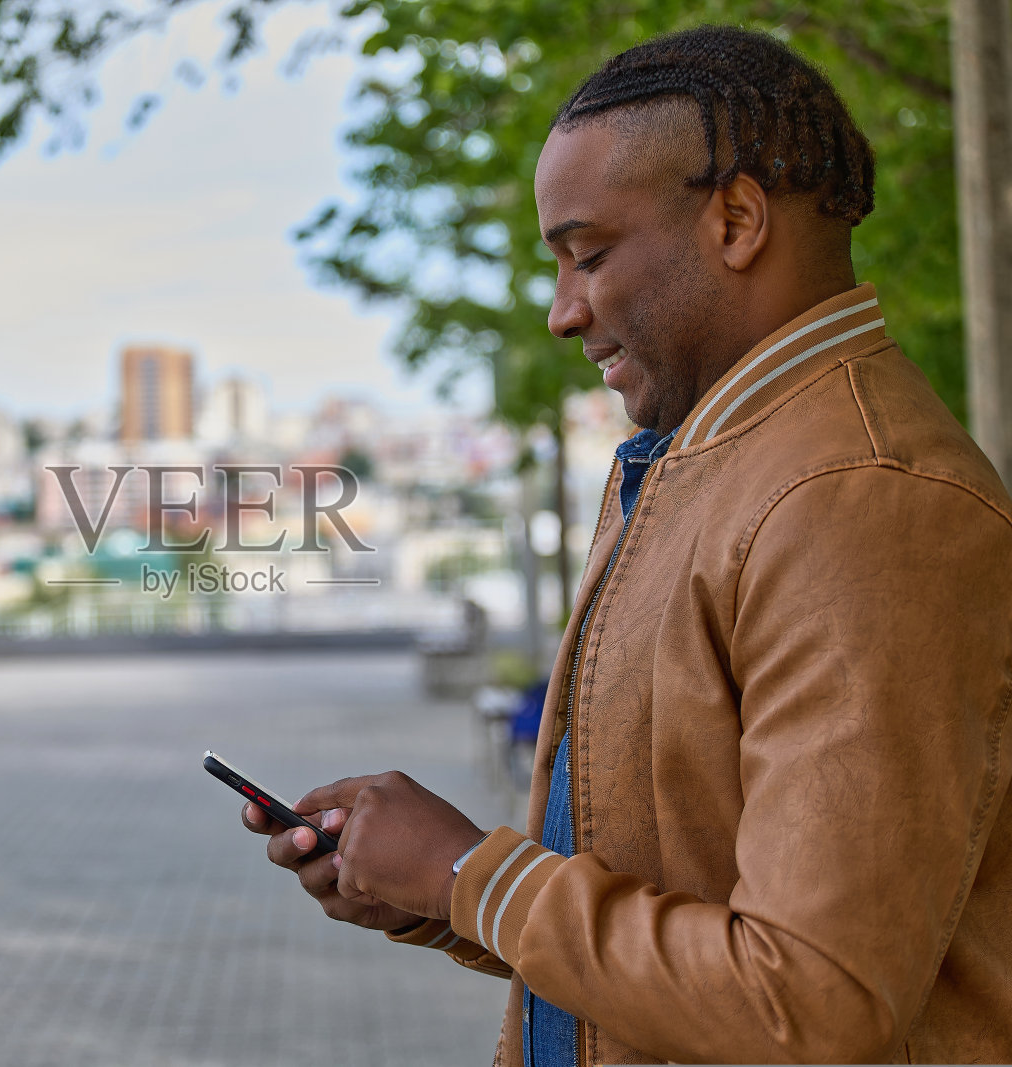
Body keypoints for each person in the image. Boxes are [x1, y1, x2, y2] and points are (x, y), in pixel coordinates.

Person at [243, 25, 1012, 1065]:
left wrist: (477, 873)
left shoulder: (856, 498)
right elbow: (683, 898)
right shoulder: (712, 463)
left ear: (736, 219)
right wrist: (436, 890)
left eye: (589, 253)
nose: (564, 312)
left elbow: (810, 1002)